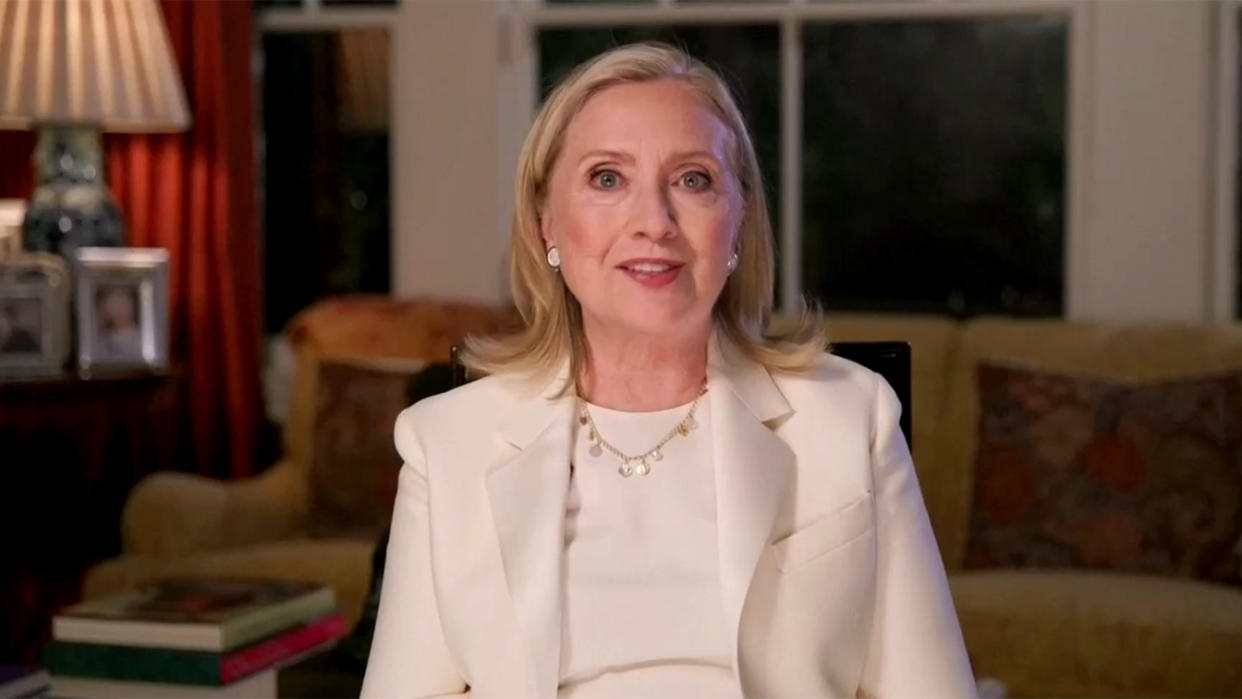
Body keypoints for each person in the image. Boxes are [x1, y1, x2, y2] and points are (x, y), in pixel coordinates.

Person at [361, 43, 975, 698]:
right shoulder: (444, 443)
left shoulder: (852, 416)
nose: (653, 222)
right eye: (606, 178)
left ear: (738, 224)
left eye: (692, 180)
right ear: (547, 226)